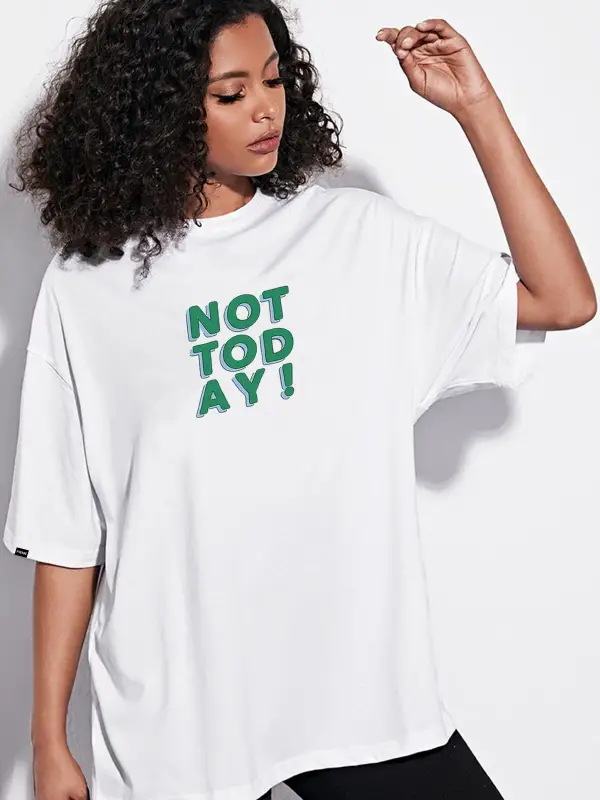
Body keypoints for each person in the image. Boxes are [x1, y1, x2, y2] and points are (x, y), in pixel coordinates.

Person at [3, 1, 595, 799]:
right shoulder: (87, 289)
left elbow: (563, 299)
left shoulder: (356, 237)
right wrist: (48, 740)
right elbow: (67, 532)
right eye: (230, 92)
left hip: (357, 705)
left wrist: (476, 110)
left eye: (275, 80)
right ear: (160, 110)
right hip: (180, 729)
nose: (265, 110)